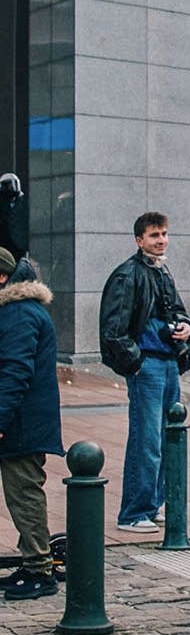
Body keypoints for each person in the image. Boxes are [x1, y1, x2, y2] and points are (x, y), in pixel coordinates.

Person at [99, 212, 190, 533]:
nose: (162, 240)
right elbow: (113, 330)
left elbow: (178, 311)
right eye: (155, 235)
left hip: (166, 363)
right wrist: (137, 363)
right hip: (150, 365)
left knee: (164, 439)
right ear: (139, 240)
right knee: (147, 441)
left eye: (164, 234)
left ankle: (150, 505)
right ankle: (134, 512)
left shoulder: (160, 271)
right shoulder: (128, 274)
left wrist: (186, 327)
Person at [0, 249, 62, 599]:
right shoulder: (15, 310)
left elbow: (15, 371)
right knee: (21, 493)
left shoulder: (19, 313)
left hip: (21, 423)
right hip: (20, 420)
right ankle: (32, 563)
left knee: (24, 493)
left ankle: (40, 571)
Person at [0, 172, 26, 261]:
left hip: (19, 242)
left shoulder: (22, 201)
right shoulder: (2, 203)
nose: (12, 187)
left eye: (13, 184)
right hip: (5, 240)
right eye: (9, 185)